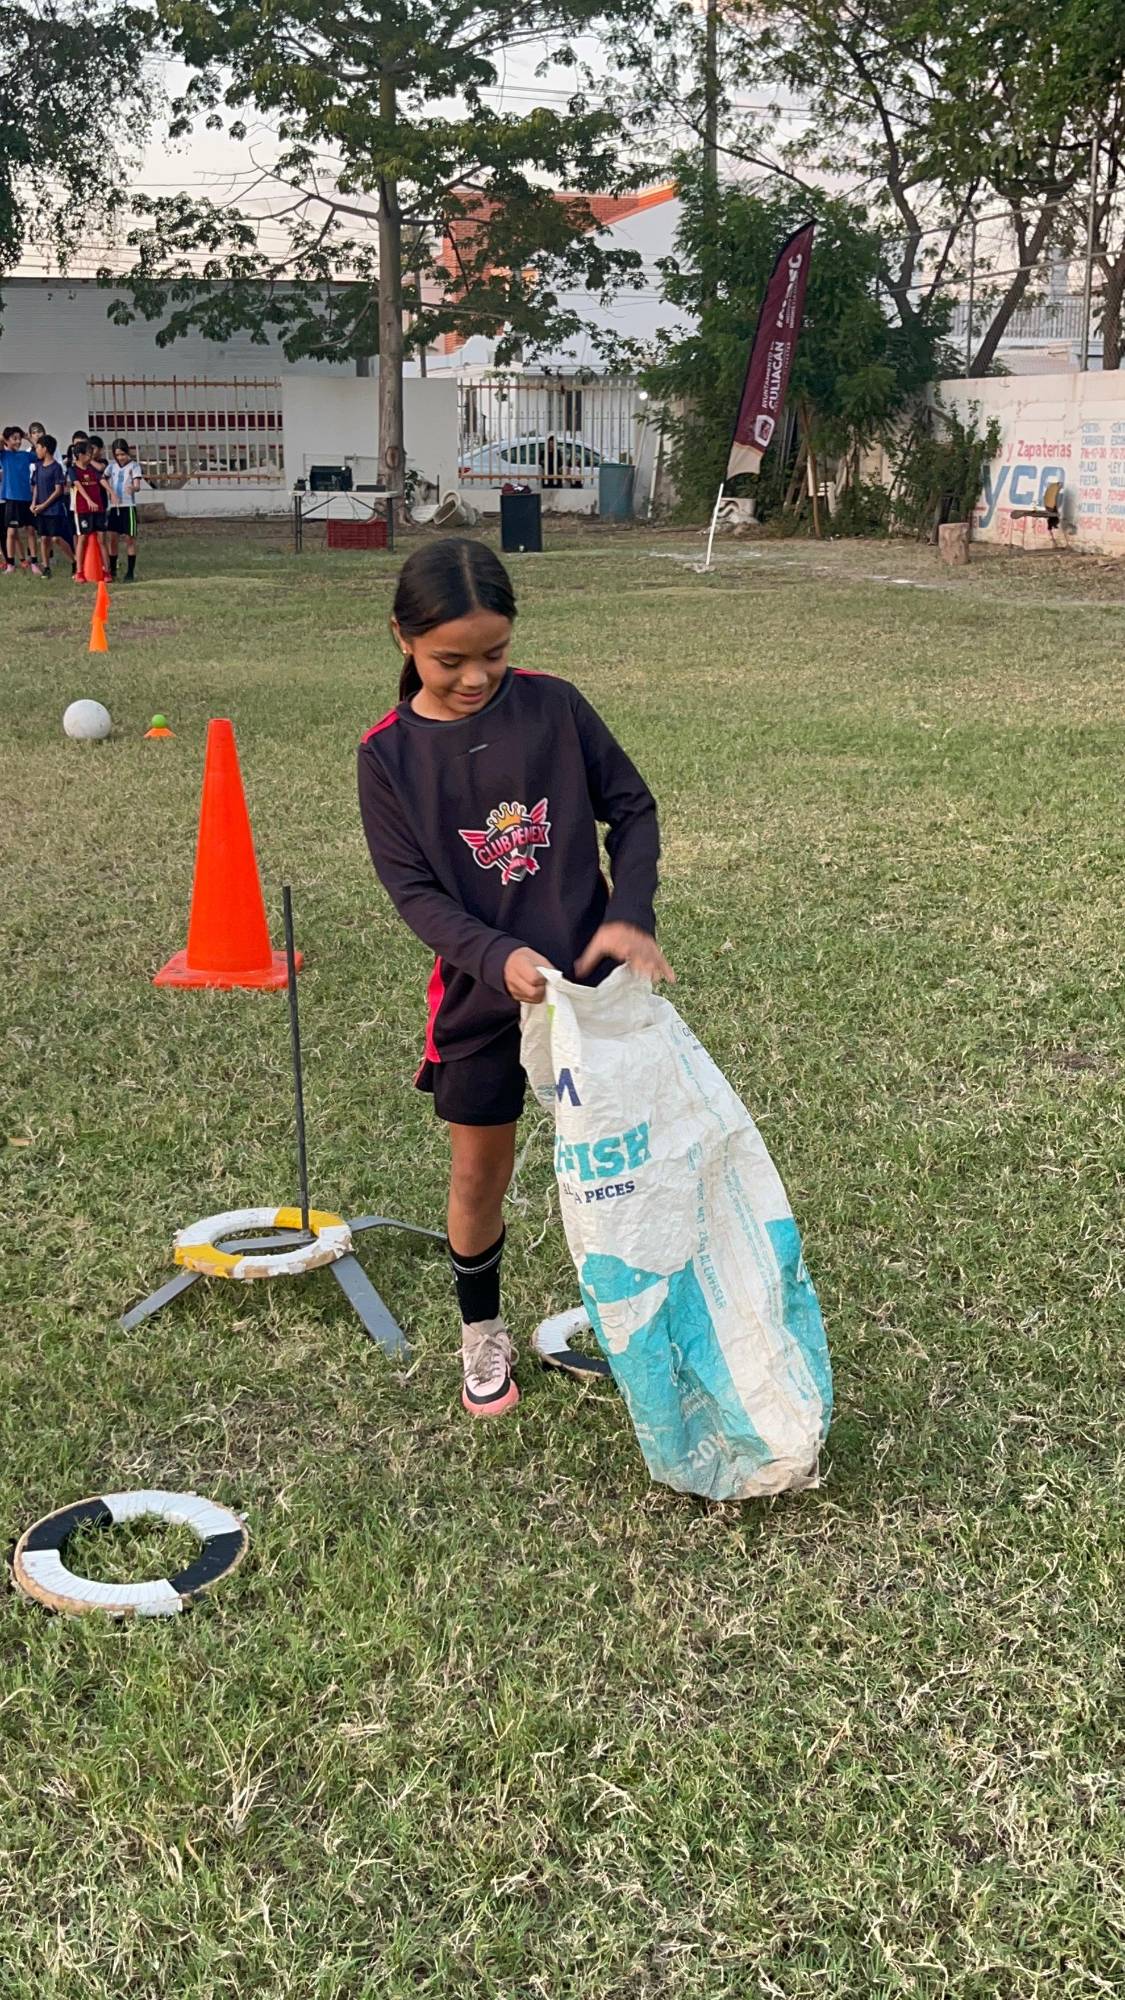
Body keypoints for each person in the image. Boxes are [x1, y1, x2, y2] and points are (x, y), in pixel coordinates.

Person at [358, 538, 672, 1419]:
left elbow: (633, 809)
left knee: (618, 1167)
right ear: (403, 640)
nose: (474, 677)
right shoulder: (386, 755)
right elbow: (414, 892)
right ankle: (480, 1331)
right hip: (481, 1002)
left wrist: (628, 914)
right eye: (449, 660)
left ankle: (633, 1313)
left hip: (593, 996)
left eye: (492, 654)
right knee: (476, 1176)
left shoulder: (555, 708)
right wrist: (496, 957)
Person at [29, 433, 74, 578]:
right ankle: (46, 567)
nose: (37, 450)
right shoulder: (38, 466)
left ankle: (74, 561)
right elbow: (35, 486)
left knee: (55, 538)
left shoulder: (56, 468)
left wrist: (44, 505)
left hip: (53, 509)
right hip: (40, 509)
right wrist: (34, 503)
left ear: (45, 449)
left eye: (38, 447)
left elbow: (58, 490)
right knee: (44, 538)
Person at [68, 439, 110, 580]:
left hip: (98, 508)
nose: (91, 457)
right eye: (88, 454)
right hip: (83, 509)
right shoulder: (73, 470)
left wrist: (111, 491)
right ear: (80, 455)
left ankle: (106, 571)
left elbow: (101, 479)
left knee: (102, 539)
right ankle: (79, 571)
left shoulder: (92, 469)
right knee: (82, 538)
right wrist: (88, 500)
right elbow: (78, 485)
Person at [2, 424, 38, 573]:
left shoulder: (25, 455)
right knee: (11, 532)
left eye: (19, 438)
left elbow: (40, 452)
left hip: (26, 498)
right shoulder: (4, 455)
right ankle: (10, 564)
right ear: (7, 440)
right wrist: (5, 436)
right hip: (12, 499)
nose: (17, 441)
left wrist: (28, 438)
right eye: (14, 439)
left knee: (30, 530)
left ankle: (34, 562)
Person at [104, 438, 143, 579]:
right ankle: (112, 569)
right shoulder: (111, 467)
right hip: (115, 507)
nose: (120, 457)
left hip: (128, 506)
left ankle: (130, 572)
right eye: (118, 455)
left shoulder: (134, 466)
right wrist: (111, 492)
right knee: (112, 538)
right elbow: (103, 479)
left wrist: (133, 487)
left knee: (129, 539)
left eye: (123, 454)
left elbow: (138, 486)